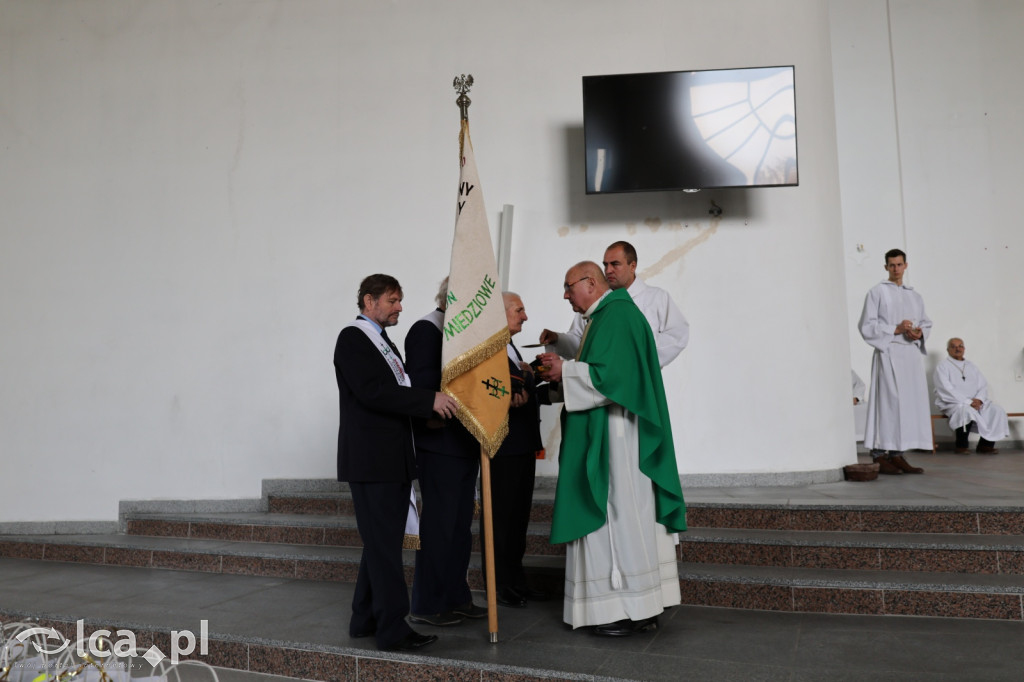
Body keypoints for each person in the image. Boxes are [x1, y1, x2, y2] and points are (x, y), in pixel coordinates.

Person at [538, 262, 686, 637]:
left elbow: (612, 378)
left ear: (590, 283)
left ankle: (619, 610)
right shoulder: (606, 315)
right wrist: (563, 373)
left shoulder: (615, 315)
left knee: (614, 516)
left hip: (615, 437)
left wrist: (564, 372)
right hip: (617, 431)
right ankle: (642, 606)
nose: (566, 294)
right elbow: (603, 369)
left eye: (569, 286)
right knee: (629, 516)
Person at [334, 274, 458, 652]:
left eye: (400, 300)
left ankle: (364, 618)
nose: (399, 307)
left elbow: (396, 390)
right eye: (392, 300)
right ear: (369, 301)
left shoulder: (381, 341)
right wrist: (427, 401)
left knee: (380, 543)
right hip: (372, 462)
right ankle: (393, 630)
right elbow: (374, 392)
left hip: (390, 458)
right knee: (385, 547)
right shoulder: (353, 338)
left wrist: (427, 413)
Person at [404, 277, 487, 626]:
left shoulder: (461, 334)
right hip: (439, 443)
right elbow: (422, 386)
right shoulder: (427, 330)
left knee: (458, 527)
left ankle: (456, 596)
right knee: (439, 525)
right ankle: (427, 603)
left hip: (463, 441)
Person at [539, 241, 688, 368]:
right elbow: (580, 342)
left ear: (633, 266)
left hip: (638, 379)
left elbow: (678, 336)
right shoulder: (595, 301)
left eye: (615, 264)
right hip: (600, 381)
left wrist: (635, 353)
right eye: (605, 265)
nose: (608, 270)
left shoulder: (656, 297)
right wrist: (558, 339)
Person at [488, 292, 546, 608]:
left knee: (519, 517)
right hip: (504, 446)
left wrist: (530, 373)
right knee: (503, 518)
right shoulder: (491, 346)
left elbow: (521, 383)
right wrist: (526, 375)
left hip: (522, 444)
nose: (525, 316)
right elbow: (502, 385)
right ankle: (500, 583)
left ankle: (516, 579)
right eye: (519, 310)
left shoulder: (509, 345)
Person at [858, 249, 932, 475]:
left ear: (906, 266)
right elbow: (866, 326)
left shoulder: (914, 296)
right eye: (892, 265)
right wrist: (894, 329)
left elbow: (926, 323)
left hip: (909, 355)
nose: (896, 269)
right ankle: (880, 454)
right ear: (886, 267)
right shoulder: (877, 292)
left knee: (907, 405)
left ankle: (898, 454)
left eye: (899, 265)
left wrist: (918, 334)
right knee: (888, 403)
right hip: (889, 352)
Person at [933, 338, 1009, 454]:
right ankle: (961, 446)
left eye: (960, 346)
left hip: (975, 401)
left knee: (997, 410)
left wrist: (979, 399)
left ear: (964, 349)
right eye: (953, 346)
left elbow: (982, 385)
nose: (957, 349)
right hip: (953, 402)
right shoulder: (943, 366)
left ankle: (985, 445)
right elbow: (945, 388)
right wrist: (968, 402)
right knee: (966, 411)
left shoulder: (971, 366)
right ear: (948, 350)